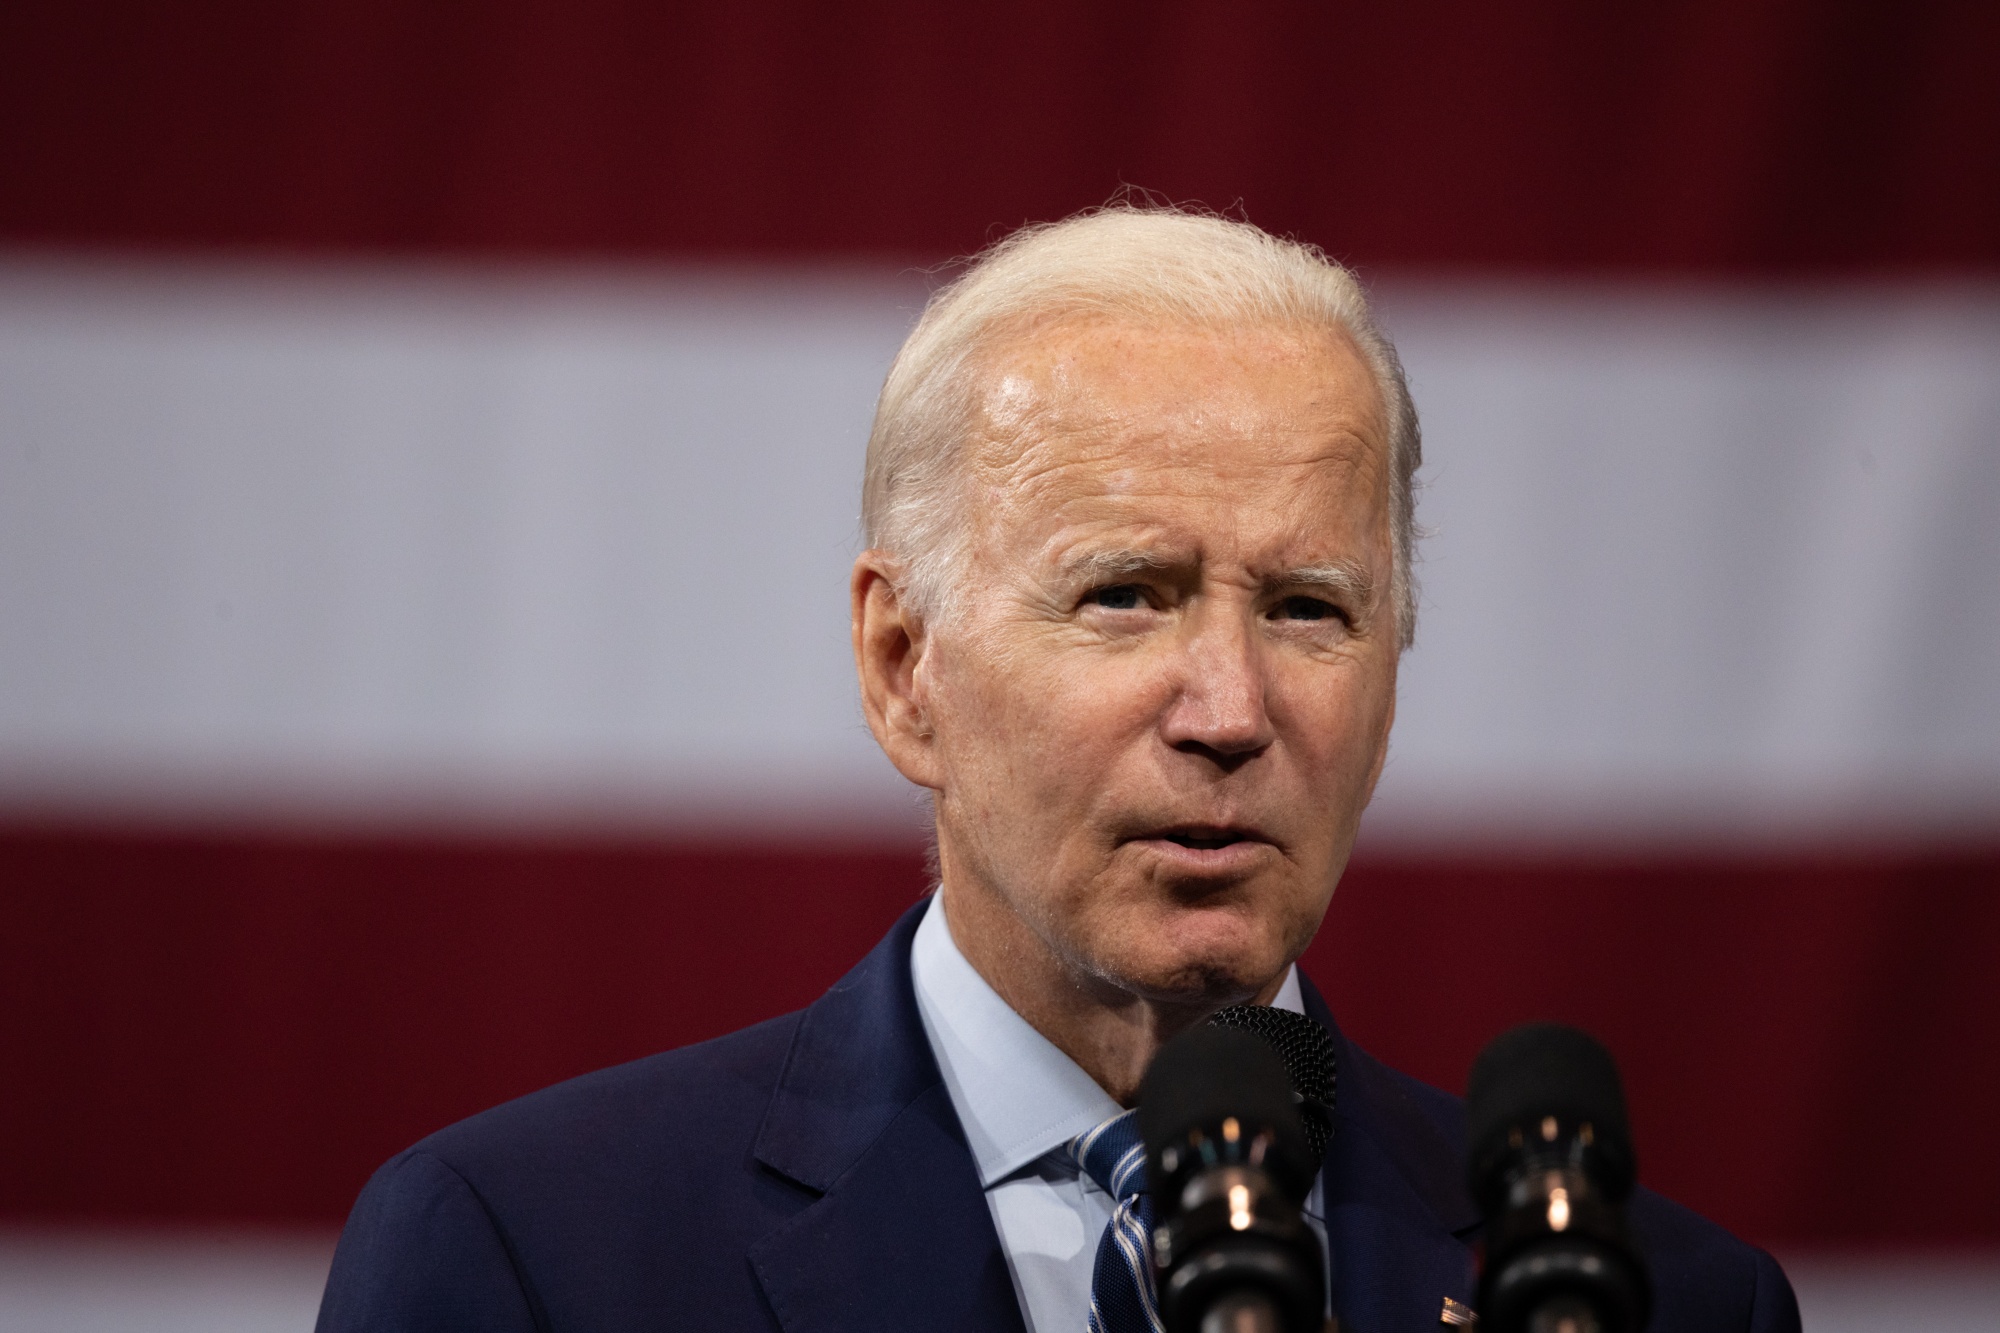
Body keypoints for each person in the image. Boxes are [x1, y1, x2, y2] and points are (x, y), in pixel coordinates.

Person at [316, 207, 1800, 1333]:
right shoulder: (535, 1259)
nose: (1229, 707)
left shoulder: (1675, 1301)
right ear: (908, 670)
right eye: (1125, 595)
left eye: (1307, 608)